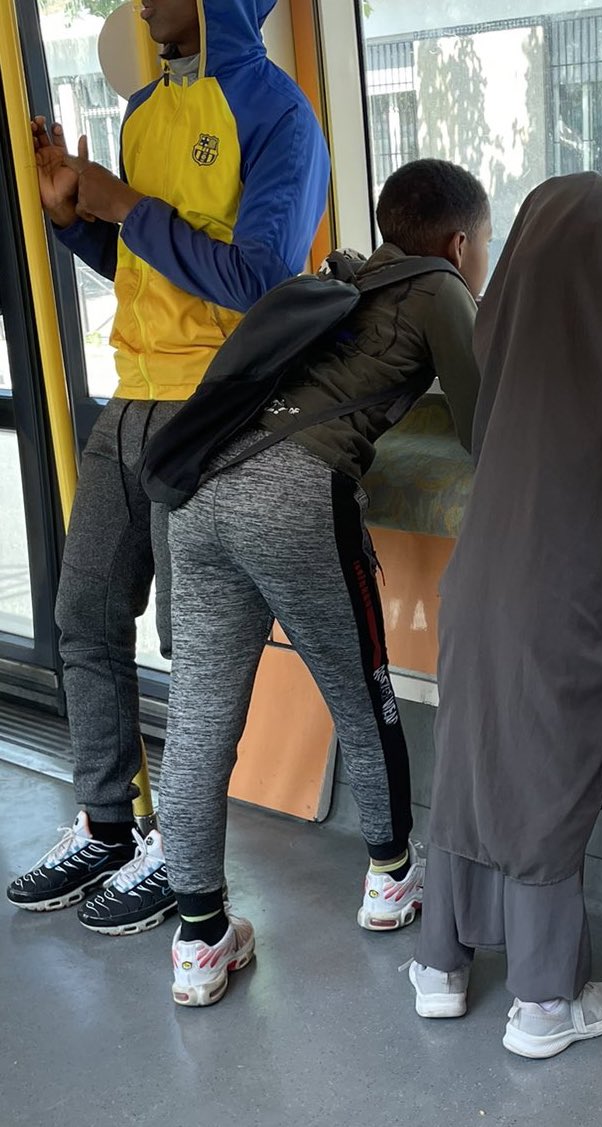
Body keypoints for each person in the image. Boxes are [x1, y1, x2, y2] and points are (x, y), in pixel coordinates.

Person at [6, 0, 329, 936]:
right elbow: (147, 266)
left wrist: (124, 204)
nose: (141, 5)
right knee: (84, 615)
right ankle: (109, 824)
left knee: (198, 650)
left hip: (213, 407)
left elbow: (262, 280)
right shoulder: (144, 113)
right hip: (131, 396)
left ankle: (181, 859)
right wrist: (77, 219)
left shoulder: (278, 114)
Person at [156, 158, 490, 1007]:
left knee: (198, 718)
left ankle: (199, 938)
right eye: (483, 243)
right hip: (295, 496)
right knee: (360, 688)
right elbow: (483, 425)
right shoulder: (441, 289)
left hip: (199, 492)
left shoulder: (340, 278)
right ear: (460, 242)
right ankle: (390, 878)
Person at [404, 172, 602, 1058]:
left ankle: (440, 970)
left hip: (477, 580)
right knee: (546, 778)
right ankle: (541, 1002)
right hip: (560, 594)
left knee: (468, 760)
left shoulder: (496, 318)